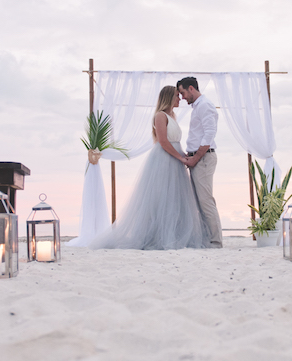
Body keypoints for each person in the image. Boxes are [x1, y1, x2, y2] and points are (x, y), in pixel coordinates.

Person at [89, 85, 210, 250]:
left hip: (175, 159)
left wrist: (182, 156)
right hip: (165, 159)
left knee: (175, 198)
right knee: (161, 198)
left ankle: (174, 233)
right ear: (168, 97)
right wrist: (180, 157)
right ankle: (158, 236)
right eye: (176, 95)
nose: (179, 98)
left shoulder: (172, 115)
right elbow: (163, 141)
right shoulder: (160, 116)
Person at [177, 76, 222, 248]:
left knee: (205, 201)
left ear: (191, 89)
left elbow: (209, 134)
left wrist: (195, 158)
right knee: (200, 202)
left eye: (182, 93)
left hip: (203, 158)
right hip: (197, 158)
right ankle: (207, 239)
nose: (181, 97)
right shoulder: (197, 107)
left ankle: (216, 242)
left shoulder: (205, 106)